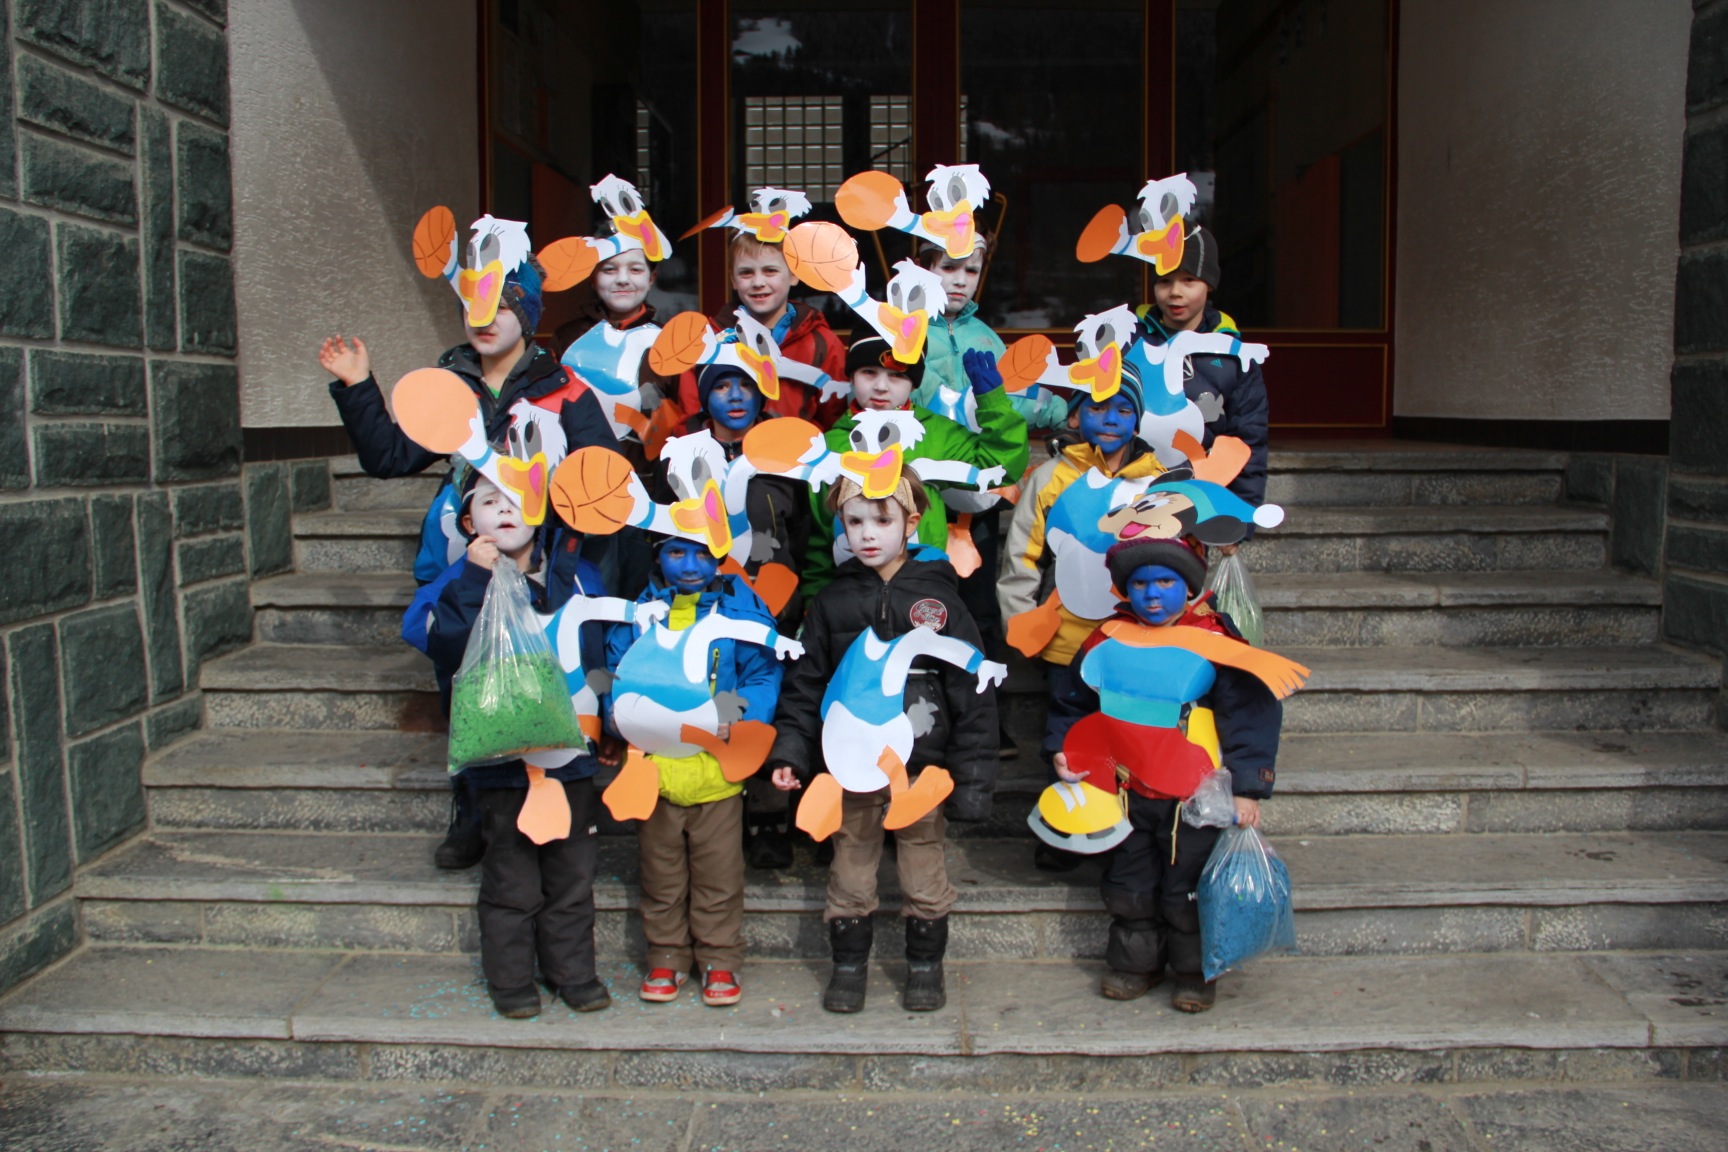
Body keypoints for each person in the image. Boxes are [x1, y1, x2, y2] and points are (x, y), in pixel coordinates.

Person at [321, 253, 620, 872]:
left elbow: (603, 482)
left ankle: (553, 790)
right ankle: (472, 808)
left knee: (540, 679)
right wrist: (358, 387)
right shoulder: (449, 385)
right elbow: (388, 457)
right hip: (463, 565)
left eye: (503, 305)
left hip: (539, 566)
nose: (485, 318)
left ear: (528, 315)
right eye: (474, 305)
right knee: (463, 680)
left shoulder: (567, 390)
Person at [766, 474, 998, 1014]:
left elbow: (972, 693)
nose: (867, 533)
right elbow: (806, 685)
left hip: (919, 767)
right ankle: (848, 967)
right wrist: (791, 750)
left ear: (911, 523)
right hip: (851, 764)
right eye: (855, 522)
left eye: (882, 519)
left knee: (924, 869)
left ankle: (925, 967)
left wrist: (973, 779)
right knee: (850, 867)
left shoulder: (942, 601)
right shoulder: (831, 601)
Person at [1053, 534, 1281, 1013]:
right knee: (1129, 885)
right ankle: (1136, 965)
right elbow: (1072, 701)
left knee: (1187, 890)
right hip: (1124, 789)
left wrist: (1248, 787)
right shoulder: (1107, 639)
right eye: (1139, 584)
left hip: (1193, 798)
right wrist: (1063, 750)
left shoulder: (1215, 641)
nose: (1152, 594)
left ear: (1189, 586)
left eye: (1165, 582)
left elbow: (1249, 715)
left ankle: (1195, 973)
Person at [422, 475, 612, 1020]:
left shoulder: (580, 577)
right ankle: (510, 980)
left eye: (519, 499)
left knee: (572, 874)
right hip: (502, 762)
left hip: (570, 757)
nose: (506, 510)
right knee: (511, 879)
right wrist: (474, 578)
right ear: (468, 522)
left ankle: (573, 973)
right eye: (490, 501)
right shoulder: (463, 579)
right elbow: (445, 644)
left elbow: (599, 651)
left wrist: (609, 723)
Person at [601, 537, 783, 1008]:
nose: (690, 565)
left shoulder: (739, 610)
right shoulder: (639, 615)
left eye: (703, 554)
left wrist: (741, 715)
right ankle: (666, 955)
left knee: (719, 876)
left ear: (719, 556)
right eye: (676, 552)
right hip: (654, 772)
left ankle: (720, 958)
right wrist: (613, 718)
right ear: (656, 556)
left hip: (718, 775)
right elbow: (613, 673)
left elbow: (762, 674)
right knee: (660, 875)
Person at [997, 366, 1166, 871]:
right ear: (1075, 415)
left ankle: (1126, 836)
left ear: (1138, 419)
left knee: (1130, 735)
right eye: (1097, 407)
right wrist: (1021, 621)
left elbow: (1174, 558)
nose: (1110, 418)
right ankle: (1065, 831)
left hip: (1133, 642)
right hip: (1068, 639)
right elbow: (1022, 555)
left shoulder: (1156, 481)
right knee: (1068, 741)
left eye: (1123, 409)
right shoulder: (1050, 477)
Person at [659, 362, 813, 870]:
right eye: (722, 386)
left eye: (746, 384)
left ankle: (768, 818)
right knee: (714, 699)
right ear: (705, 397)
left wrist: (796, 594)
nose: (735, 396)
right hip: (702, 603)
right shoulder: (683, 454)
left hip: (773, 605)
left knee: (767, 700)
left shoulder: (783, 458)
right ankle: (715, 809)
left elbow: (803, 535)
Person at [801, 335, 1029, 602]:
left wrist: (993, 403)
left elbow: (1002, 463)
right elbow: (819, 535)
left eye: (896, 375)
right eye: (869, 372)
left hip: (923, 588)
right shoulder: (830, 445)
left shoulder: (936, 434)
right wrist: (813, 603)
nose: (881, 386)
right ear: (851, 376)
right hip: (849, 594)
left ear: (914, 382)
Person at [1133, 225, 1268, 518]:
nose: (1175, 292)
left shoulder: (1235, 356)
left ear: (1209, 284)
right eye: (1165, 281)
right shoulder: (1129, 341)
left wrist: (1239, 515)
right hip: (1129, 490)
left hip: (1200, 498)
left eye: (1189, 280)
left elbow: (1248, 439)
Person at [673, 233, 847, 425]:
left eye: (770, 271)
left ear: (793, 274)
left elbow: (835, 421)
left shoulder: (822, 342)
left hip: (798, 444)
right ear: (733, 279)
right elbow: (692, 420)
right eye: (746, 273)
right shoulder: (706, 343)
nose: (758, 282)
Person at [555, 245, 676, 446]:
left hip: (646, 463)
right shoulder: (566, 338)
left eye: (635, 269)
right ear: (593, 278)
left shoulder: (670, 342)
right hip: (578, 460)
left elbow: (685, 414)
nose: (622, 279)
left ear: (651, 278)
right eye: (609, 269)